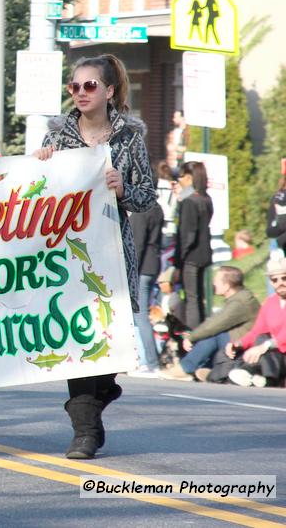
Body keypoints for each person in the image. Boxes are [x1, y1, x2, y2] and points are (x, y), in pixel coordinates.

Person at [34, 54, 156, 460]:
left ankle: (98, 395)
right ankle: (84, 431)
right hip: (68, 257)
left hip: (113, 255)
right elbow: (31, 195)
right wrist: (39, 170)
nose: (81, 92)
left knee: (111, 341)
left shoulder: (129, 140)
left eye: (90, 86)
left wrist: (123, 189)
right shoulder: (57, 140)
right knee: (80, 341)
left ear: (108, 91)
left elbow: (147, 199)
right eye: (75, 86)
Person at [158, 266, 259, 382]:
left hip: (243, 346)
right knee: (214, 333)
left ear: (226, 287)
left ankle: (185, 368)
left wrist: (192, 337)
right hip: (237, 343)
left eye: (216, 281)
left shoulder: (240, 302)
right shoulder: (240, 298)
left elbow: (216, 324)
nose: (213, 284)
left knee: (215, 334)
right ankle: (205, 369)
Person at [209, 258, 286, 388]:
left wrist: (264, 346)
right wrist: (239, 343)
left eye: (284, 278)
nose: (280, 283)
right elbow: (257, 330)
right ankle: (244, 375)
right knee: (233, 351)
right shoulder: (270, 303)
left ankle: (256, 375)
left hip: (279, 351)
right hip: (272, 351)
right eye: (275, 280)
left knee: (264, 345)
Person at [173, 161, 213, 329]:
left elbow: (186, 234)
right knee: (199, 297)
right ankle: (203, 332)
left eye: (180, 177)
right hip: (204, 253)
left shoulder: (189, 202)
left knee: (191, 298)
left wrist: (178, 262)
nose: (178, 181)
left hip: (190, 257)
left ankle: (194, 335)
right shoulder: (206, 199)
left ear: (189, 178)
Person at [129, 198, 164, 375]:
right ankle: (145, 360)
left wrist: (131, 270)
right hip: (153, 263)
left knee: (139, 314)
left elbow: (138, 244)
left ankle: (150, 362)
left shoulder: (140, 210)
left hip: (142, 267)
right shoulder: (156, 207)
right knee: (141, 314)